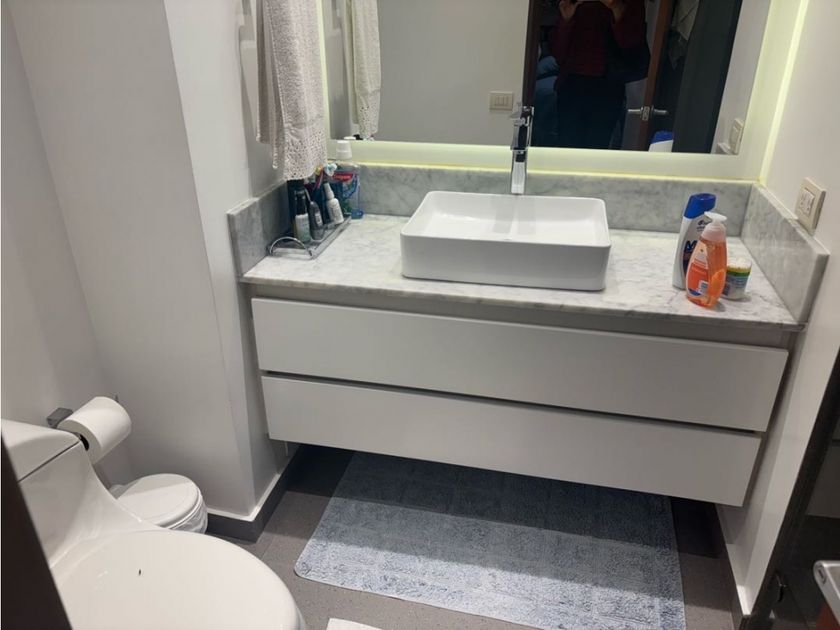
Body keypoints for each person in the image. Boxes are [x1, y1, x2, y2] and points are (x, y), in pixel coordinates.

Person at [550, 0, 647, 149]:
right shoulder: (573, 5)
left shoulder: (628, 3)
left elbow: (633, 49)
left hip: (609, 86)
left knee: (597, 149)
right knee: (566, 148)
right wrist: (566, 19)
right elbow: (558, 53)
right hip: (572, 83)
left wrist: (617, 10)